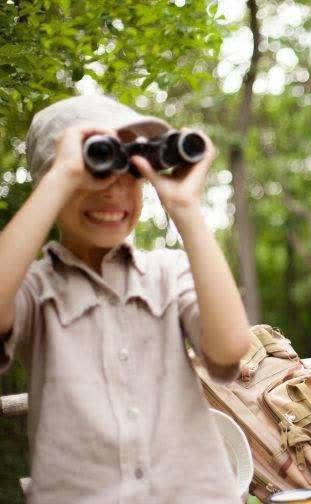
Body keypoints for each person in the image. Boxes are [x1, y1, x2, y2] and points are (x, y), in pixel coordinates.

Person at [0, 95, 251, 503]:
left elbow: (230, 346)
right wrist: (63, 174)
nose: (114, 189)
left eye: (131, 169)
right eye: (97, 165)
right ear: (52, 178)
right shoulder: (33, 288)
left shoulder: (169, 273)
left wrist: (186, 209)